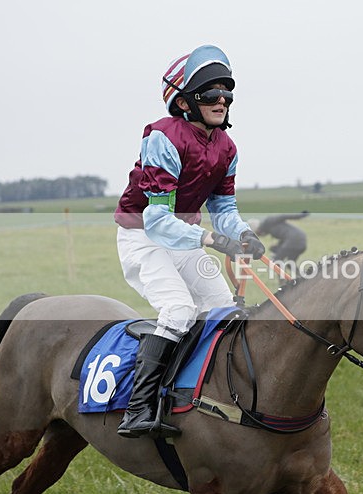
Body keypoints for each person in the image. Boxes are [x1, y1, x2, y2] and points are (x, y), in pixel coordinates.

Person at [113, 44, 265, 438]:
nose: (222, 101)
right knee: (179, 310)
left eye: (226, 93)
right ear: (183, 102)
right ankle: (138, 408)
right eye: (210, 94)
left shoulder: (227, 148)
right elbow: (157, 220)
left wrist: (244, 234)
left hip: (185, 241)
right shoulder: (163, 137)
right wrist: (213, 240)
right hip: (143, 238)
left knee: (223, 312)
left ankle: (203, 398)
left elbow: (225, 209)